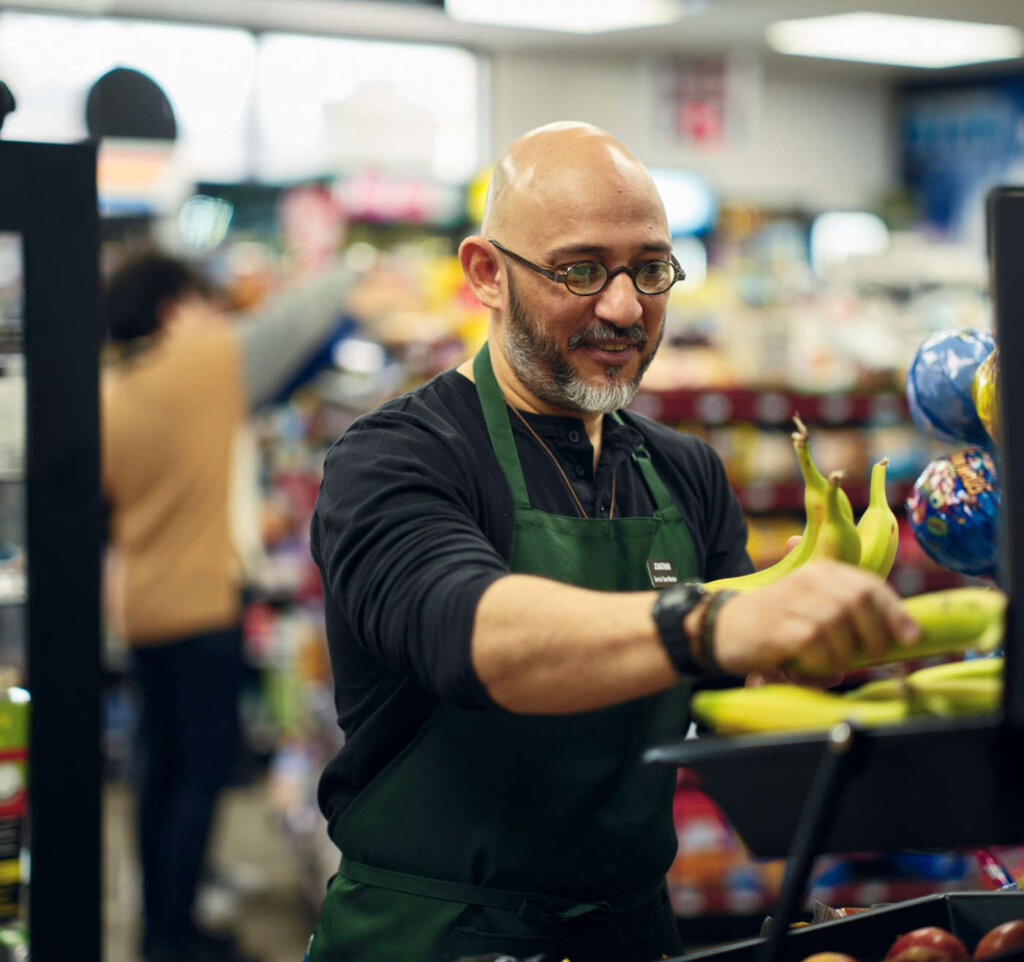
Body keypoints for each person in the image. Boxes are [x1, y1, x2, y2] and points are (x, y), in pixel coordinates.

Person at [306, 121, 921, 962]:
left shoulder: (686, 470)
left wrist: (824, 662)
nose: (625, 307)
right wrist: (709, 625)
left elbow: (735, 693)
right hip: (435, 935)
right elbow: (474, 636)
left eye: (651, 268)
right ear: (487, 273)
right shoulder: (393, 458)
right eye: (581, 269)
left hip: (633, 934)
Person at [101, 250, 352, 962]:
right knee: (200, 773)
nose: (215, 314)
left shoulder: (115, 387)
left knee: (159, 770)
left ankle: (159, 921)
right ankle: (176, 935)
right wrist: (350, 269)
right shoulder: (201, 366)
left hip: (138, 602)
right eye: (200, 301)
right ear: (171, 309)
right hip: (197, 603)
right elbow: (314, 309)